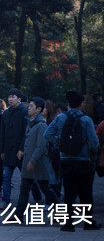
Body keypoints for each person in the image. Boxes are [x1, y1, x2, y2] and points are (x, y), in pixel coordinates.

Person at [44, 91, 102, 231]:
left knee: (69, 192)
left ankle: (68, 223)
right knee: (86, 192)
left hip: (65, 159)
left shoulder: (60, 118)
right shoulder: (86, 120)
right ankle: (88, 222)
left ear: (68, 104)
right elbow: (94, 142)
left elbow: (48, 134)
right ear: (81, 104)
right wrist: (92, 151)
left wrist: (60, 143)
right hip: (83, 160)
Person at [14, 96, 57, 218]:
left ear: (38, 109)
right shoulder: (31, 123)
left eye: (31, 106)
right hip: (28, 162)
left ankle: (61, 209)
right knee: (24, 190)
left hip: (38, 164)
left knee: (46, 189)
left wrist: (32, 161)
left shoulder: (41, 125)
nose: (29, 108)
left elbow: (41, 146)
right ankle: (18, 215)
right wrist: (22, 151)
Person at [0, 88, 27, 204]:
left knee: (27, 178)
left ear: (19, 99)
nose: (10, 99)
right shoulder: (6, 113)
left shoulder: (24, 112)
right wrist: (2, 150)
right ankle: (6, 201)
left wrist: (22, 149)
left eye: (13, 97)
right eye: (9, 97)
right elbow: (2, 133)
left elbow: (26, 132)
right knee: (6, 177)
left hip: (20, 150)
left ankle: (38, 197)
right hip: (8, 150)